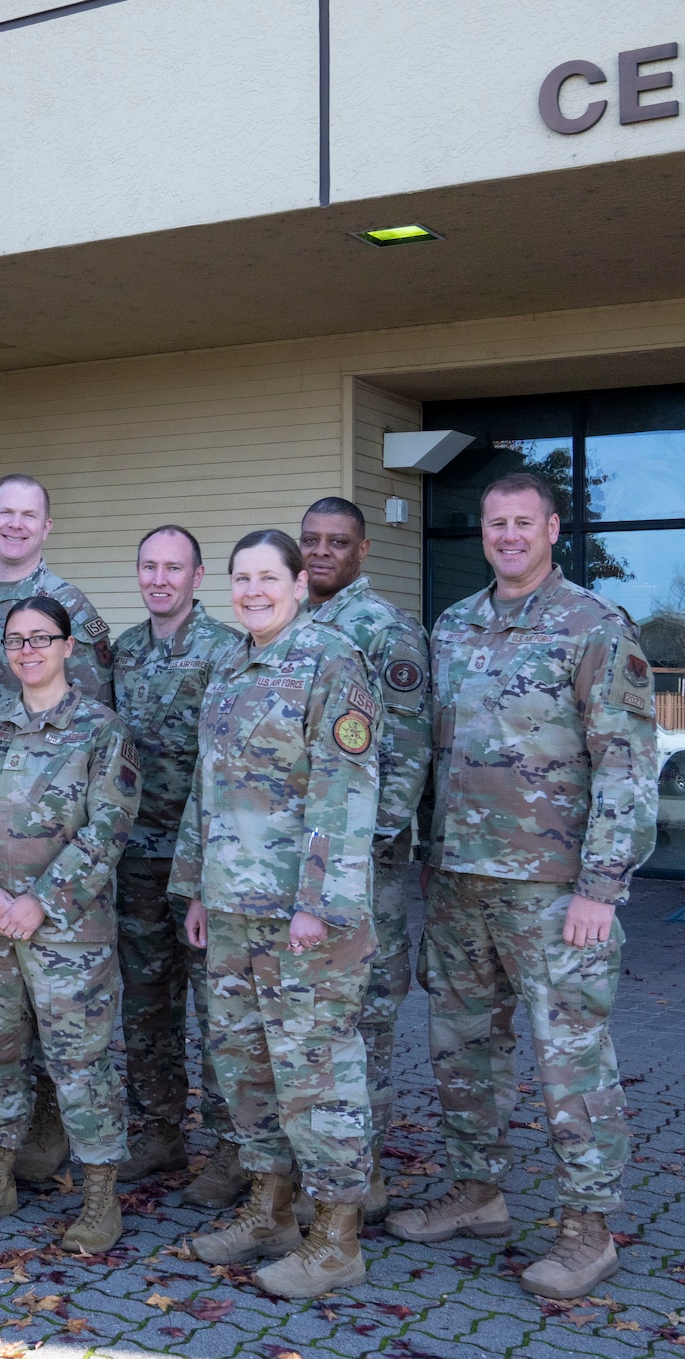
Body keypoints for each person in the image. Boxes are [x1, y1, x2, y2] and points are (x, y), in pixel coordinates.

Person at [387, 471, 657, 1301]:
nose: (506, 536)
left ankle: (589, 1227)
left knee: (569, 1056)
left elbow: (627, 764)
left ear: (552, 527)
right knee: (463, 1049)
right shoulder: (455, 625)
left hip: (553, 890)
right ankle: (479, 1191)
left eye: (521, 523)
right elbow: (434, 752)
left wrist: (600, 889)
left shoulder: (595, 626)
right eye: (494, 525)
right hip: (461, 879)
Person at [172, 529, 380, 1297]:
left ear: (298, 582)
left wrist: (317, 904)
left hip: (302, 917)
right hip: (232, 908)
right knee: (246, 1070)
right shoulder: (231, 664)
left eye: (268, 578)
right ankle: (269, 1210)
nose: (253, 591)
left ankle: (336, 1238)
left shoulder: (332, 660)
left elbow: (346, 786)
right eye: (241, 579)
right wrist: (195, 886)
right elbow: (208, 785)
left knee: (316, 1075)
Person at [0, 597, 140, 1253]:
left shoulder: (100, 729)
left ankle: (98, 1199)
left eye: (41, 638)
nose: (28, 650)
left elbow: (108, 827)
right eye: (16, 641)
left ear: (68, 648)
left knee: (81, 1065)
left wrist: (42, 900)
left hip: (69, 934)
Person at [0, 475, 114, 1179]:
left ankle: (51, 1116)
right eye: (5, 514)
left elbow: (99, 715)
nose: (15, 525)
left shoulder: (73, 609)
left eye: (29, 515)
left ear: (46, 526)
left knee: (65, 1002)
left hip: (57, 827)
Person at [297, 497, 431, 1225]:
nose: (321, 553)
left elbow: (408, 749)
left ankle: (367, 1173)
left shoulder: (384, 628)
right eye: (311, 540)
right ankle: (318, 1161)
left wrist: (365, 848)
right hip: (300, 866)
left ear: (363, 550)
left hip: (363, 867)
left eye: (337, 542)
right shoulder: (290, 620)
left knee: (366, 1014)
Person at [109, 525, 243, 1203]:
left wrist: (204, 870)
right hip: (134, 860)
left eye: (174, 567)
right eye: (149, 567)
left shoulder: (227, 651)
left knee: (218, 1009)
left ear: (198, 577)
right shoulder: (123, 652)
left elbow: (227, 771)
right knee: (145, 1005)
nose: (160, 578)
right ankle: (158, 1129)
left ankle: (230, 1148)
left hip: (202, 864)